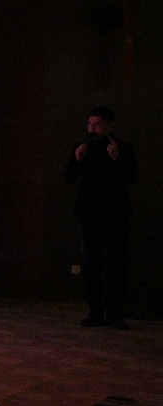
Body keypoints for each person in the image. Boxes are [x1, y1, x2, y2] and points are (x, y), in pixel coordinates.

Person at [64, 107, 138, 329]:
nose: (92, 129)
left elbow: (133, 177)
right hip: (89, 214)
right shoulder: (83, 148)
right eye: (89, 124)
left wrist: (116, 158)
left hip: (116, 214)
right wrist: (77, 159)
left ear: (110, 125)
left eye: (97, 124)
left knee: (117, 264)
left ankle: (115, 315)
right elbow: (68, 178)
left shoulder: (123, 148)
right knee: (91, 263)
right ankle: (95, 313)